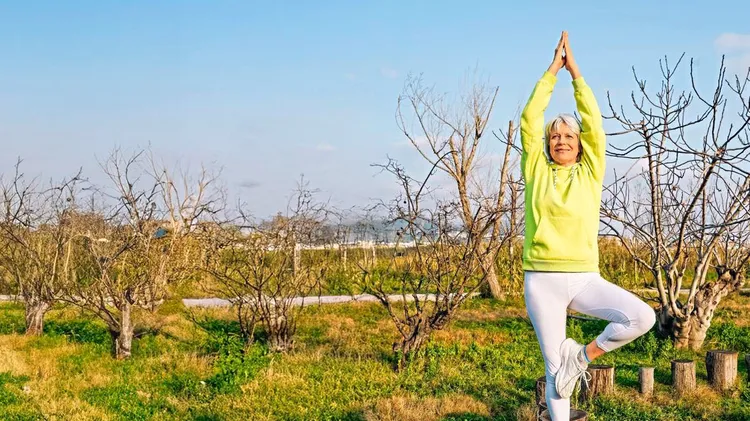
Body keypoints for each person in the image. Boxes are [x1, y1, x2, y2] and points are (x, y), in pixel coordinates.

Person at [521, 31, 656, 420]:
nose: (561, 140)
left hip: (583, 277)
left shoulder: (590, 171)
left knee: (641, 317)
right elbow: (529, 120)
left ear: (580, 145)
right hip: (541, 279)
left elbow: (595, 125)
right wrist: (552, 71)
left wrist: (575, 73)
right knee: (554, 374)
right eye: (555, 136)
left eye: (568, 136)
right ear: (547, 144)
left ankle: (581, 357)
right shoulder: (536, 170)